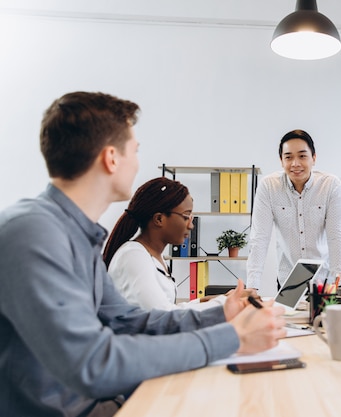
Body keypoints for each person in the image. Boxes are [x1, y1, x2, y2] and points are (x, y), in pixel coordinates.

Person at [0, 91, 286, 417]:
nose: (137, 161)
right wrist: (231, 338)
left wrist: (220, 314)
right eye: (135, 150)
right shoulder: (33, 233)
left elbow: (129, 321)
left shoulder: (74, 234)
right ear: (111, 158)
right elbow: (93, 363)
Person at [103, 177, 243, 310]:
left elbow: (168, 309)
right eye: (186, 216)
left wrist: (218, 299)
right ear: (159, 219)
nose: (191, 225)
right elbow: (162, 317)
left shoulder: (153, 256)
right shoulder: (133, 256)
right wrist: (225, 303)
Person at [246, 129, 341, 291]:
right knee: (288, 317)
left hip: (326, 279)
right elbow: (259, 238)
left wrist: (337, 282)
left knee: (329, 317)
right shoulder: (269, 187)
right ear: (281, 160)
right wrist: (252, 286)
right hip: (290, 281)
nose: (295, 163)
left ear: (313, 158)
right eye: (288, 157)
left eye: (302, 156)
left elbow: (336, 237)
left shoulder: (330, 185)